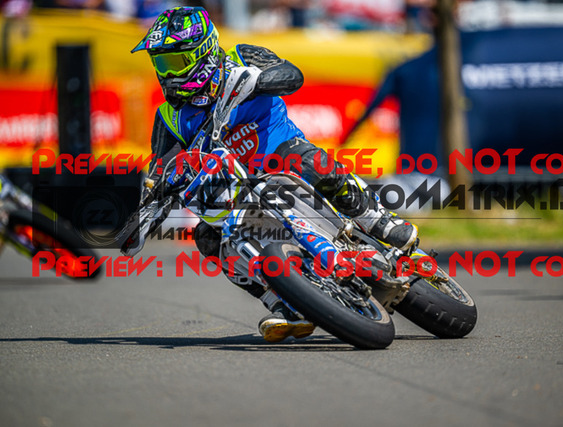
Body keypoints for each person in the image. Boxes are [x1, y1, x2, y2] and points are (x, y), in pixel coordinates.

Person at [131, 6, 418, 342]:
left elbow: (291, 75)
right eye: (160, 64)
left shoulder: (241, 58)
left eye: (174, 62)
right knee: (207, 237)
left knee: (310, 161)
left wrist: (260, 80)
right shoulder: (169, 116)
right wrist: (154, 196)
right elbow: (162, 167)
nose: (167, 73)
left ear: (203, 51)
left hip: (281, 154)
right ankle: (280, 301)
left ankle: (377, 219)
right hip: (235, 185)